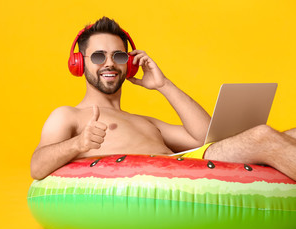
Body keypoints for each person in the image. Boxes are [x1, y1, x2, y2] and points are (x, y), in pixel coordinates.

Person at [30, 16, 296, 181]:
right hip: (171, 175)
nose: (109, 64)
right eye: (99, 56)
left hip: (191, 165)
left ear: (130, 64)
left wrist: (163, 85)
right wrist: (79, 143)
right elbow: (37, 166)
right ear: (79, 63)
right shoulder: (69, 115)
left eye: (119, 56)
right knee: (261, 136)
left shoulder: (146, 122)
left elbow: (206, 139)